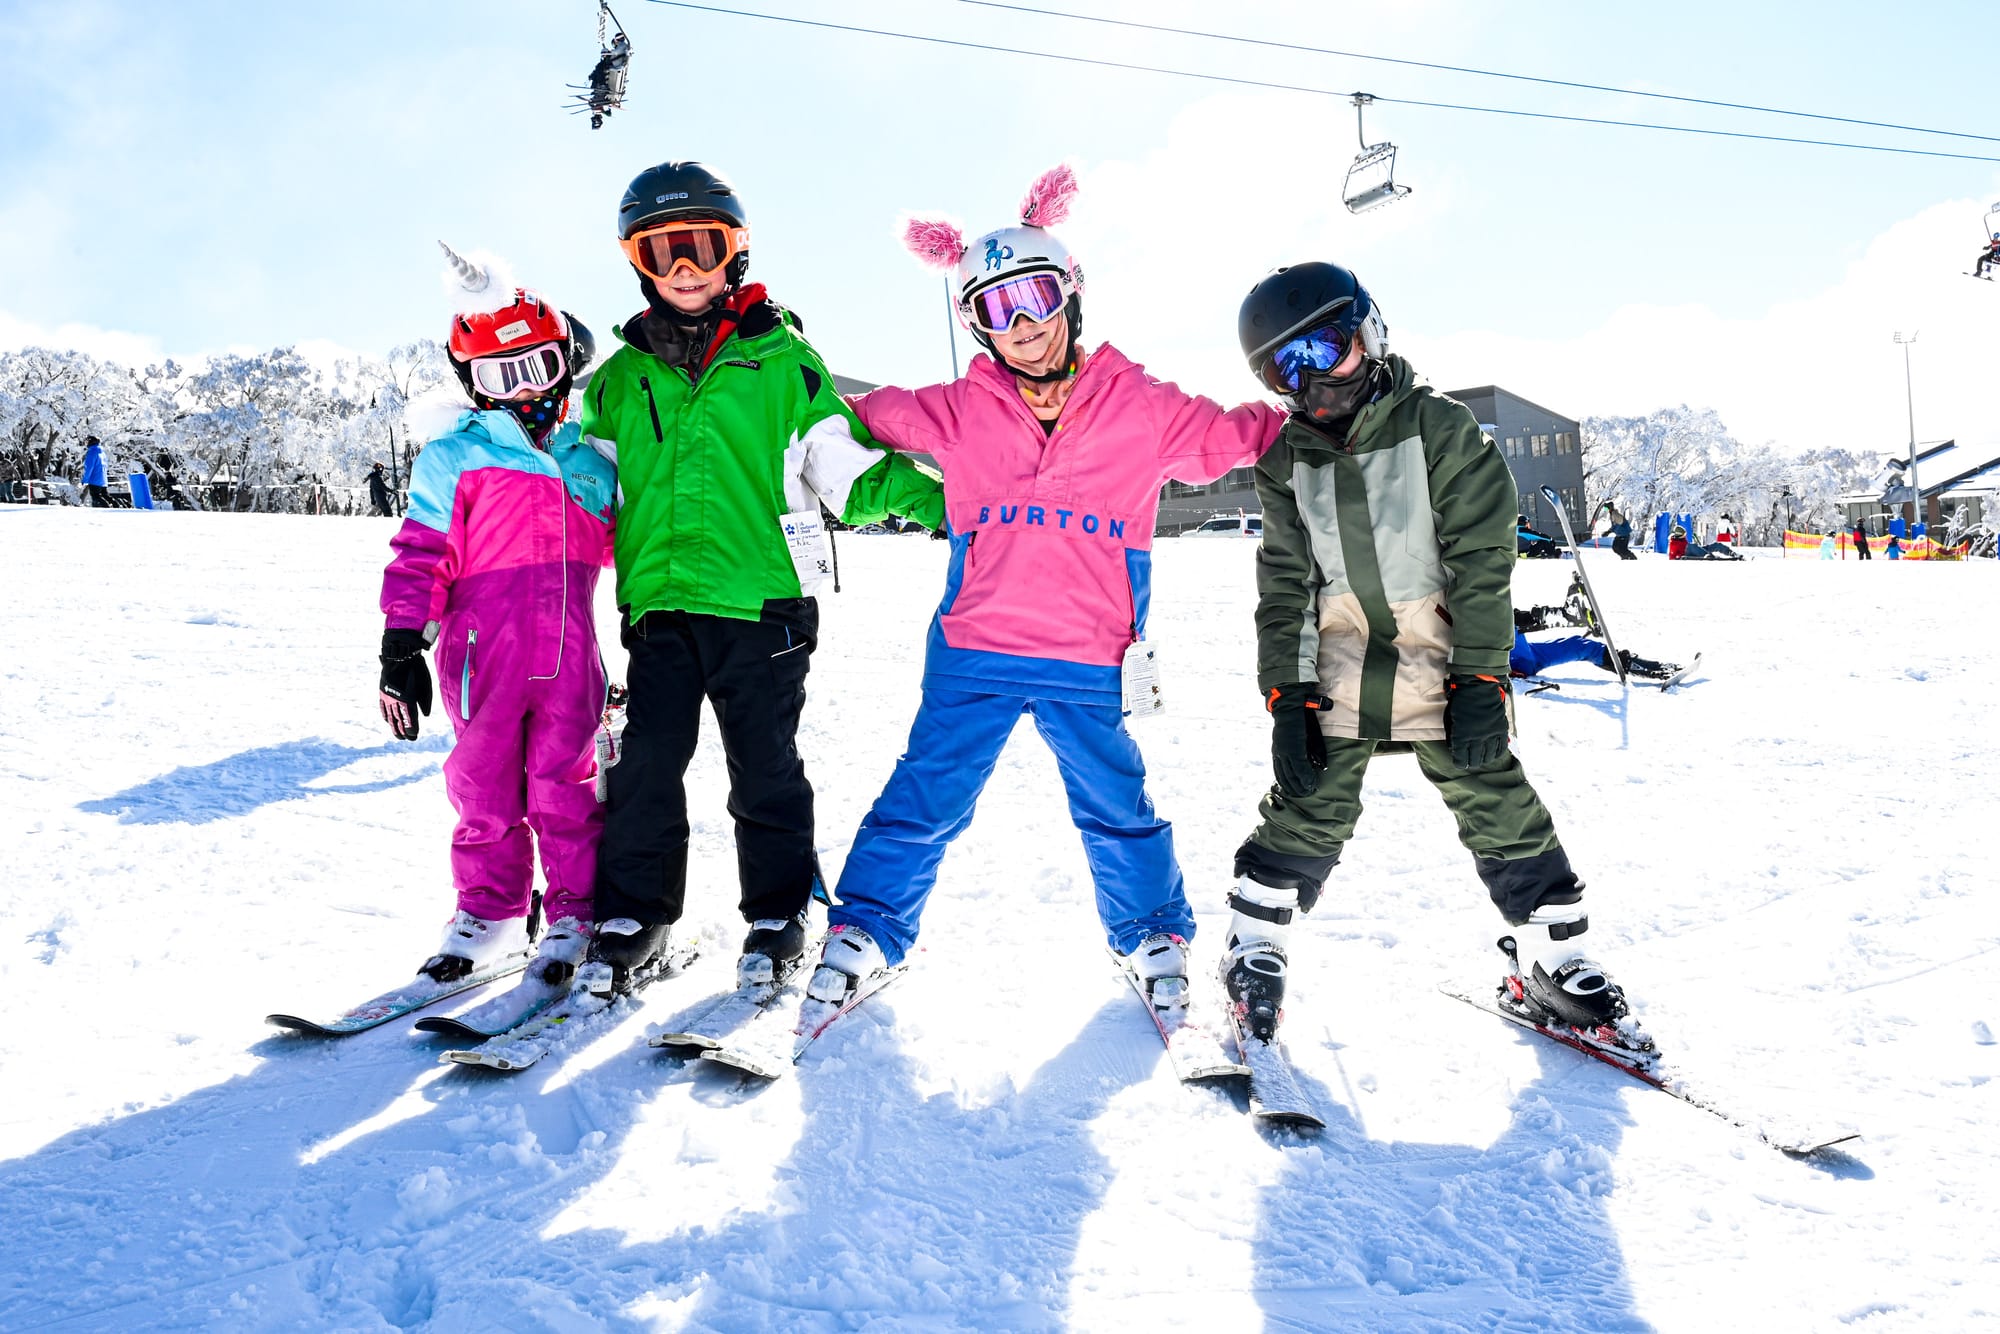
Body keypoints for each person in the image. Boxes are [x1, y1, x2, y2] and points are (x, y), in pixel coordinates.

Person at [803, 165, 1288, 1016]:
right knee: (926, 793)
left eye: (1033, 298)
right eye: (995, 309)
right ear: (977, 326)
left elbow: (1240, 436)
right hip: (974, 648)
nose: (1021, 325)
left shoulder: (1141, 404)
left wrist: (1330, 405)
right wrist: (791, 386)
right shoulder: (957, 408)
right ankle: (868, 928)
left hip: (1090, 651)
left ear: (1070, 295)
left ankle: (1151, 933)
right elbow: (851, 410)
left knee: (1114, 804)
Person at [1217, 260, 1631, 1046]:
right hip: (1341, 657)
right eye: (1285, 369)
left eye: (1326, 349)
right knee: (1311, 797)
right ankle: (1254, 944)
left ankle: (1552, 957)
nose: (1312, 383)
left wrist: (1480, 672)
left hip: (1443, 652)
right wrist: (1288, 693)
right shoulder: (1286, 459)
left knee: (1494, 793)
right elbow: (1284, 582)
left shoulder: (1436, 426)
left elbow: (1482, 556)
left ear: (1369, 334)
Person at [583, 161, 946, 996]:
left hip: (763, 606)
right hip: (662, 604)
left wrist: (953, 508)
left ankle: (778, 913)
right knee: (647, 765)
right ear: (638, 261)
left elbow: (849, 471)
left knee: (764, 766)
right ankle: (636, 912)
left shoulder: (780, 361)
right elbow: (583, 488)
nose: (683, 268)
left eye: (700, 247)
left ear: (733, 254)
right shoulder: (618, 380)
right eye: (663, 250)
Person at [376, 246, 612, 990]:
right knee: (483, 788)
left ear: (563, 361)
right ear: (472, 384)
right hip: (482, 655)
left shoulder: (592, 462)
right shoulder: (457, 458)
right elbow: (421, 553)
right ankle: (491, 912)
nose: (522, 390)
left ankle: (576, 910)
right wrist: (400, 643)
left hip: (572, 655)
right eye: (498, 377)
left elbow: (632, 551)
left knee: (567, 787)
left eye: (536, 366)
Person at [1510, 607, 1679, 681]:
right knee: (1507, 623)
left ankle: (1641, 666)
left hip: (1522, 650)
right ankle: (1564, 614)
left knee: (1581, 645)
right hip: (1511, 658)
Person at [80, 436, 111, 507]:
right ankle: (116, 506)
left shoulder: (92, 452)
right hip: (103, 480)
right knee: (105, 496)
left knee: (96, 497)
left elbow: (89, 468)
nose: (86, 443)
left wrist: (84, 480)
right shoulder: (102, 452)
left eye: (87, 441)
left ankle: (109, 510)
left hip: (94, 479)